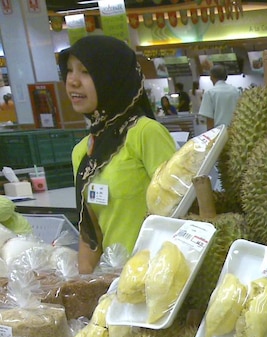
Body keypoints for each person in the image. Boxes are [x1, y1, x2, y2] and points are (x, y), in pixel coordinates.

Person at [60, 35, 176, 274]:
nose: (72, 81)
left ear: (111, 77)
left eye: (85, 72)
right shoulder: (82, 152)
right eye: (69, 71)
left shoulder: (145, 134)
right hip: (116, 284)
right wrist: (87, 288)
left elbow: (180, 212)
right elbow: (90, 232)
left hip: (158, 276)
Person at [198, 64, 240, 130]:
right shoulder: (237, 91)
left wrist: (211, 137)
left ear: (211, 77)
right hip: (236, 132)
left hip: (218, 133)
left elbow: (209, 119)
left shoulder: (210, 93)